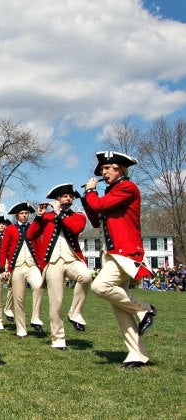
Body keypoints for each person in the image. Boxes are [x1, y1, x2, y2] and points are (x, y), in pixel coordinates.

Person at [82, 151, 156, 369]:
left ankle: (145, 309)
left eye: (108, 168)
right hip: (112, 252)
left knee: (100, 286)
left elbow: (100, 206)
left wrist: (92, 193)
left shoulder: (127, 188)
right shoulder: (111, 192)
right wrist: (87, 198)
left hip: (125, 252)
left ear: (120, 169)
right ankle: (138, 354)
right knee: (120, 308)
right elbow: (96, 219)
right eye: (103, 169)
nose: (104, 172)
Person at [27, 184, 92, 350]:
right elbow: (30, 235)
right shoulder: (46, 217)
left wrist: (59, 213)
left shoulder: (78, 216)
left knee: (86, 276)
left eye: (71, 196)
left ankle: (75, 312)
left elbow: (75, 228)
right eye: (65, 196)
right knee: (56, 302)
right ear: (57, 199)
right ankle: (58, 338)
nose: (68, 199)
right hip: (53, 262)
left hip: (72, 259)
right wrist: (39, 217)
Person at [2, 202, 43, 338]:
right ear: (17, 215)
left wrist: (42, 265)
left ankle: (35, 318)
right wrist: (3, 268)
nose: (25, 216)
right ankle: (21, 328)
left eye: (26, 213)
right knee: (19, 298)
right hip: (17, 267)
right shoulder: (10, 229)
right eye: (22, 213)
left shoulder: (33, 228)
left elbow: (39, 246)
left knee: (38, 286)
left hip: (32, 265)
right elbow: (4, 249)